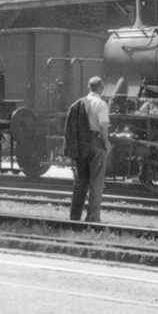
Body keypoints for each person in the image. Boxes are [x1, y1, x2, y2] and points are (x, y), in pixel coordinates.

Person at [64, 76, 111, 222]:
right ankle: (92, 217)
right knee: (96, 181)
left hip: (81, 145)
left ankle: (74, 216)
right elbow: (103, 126)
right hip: (97, 144)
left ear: (88, 87)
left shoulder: (77, 104)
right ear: (101, 88)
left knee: (80, 181)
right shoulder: (102, 104)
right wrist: (107, 143)